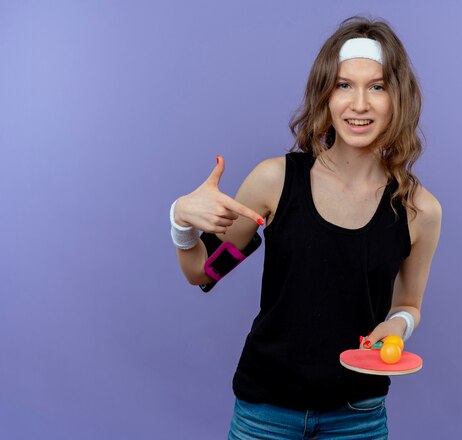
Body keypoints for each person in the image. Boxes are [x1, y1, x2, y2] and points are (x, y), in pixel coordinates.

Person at [169, 15, 442, 440]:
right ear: (325, 94)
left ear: (398, 98)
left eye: (377, 86)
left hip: (358, 417)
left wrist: (399, 325)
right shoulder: (274, 182)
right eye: (343, 85)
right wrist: (181, 220)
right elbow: (204, 271)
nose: (359, 104)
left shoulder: (418, 209)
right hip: (265, 413)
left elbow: (409, 304)